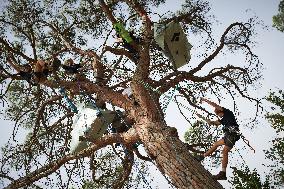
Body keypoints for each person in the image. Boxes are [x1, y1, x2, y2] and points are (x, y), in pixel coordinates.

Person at [195, 97, 241, 180]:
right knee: (216, 144)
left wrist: (205, 100)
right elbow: (214, 123)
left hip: (232, 134)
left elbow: (215, 105)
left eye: (217, 114)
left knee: (224, 151)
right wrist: (203, 118)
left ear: (220, 111)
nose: (218, 116)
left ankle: (223, 173)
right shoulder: (223, 120)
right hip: (228, 136)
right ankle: (202, 156)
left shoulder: (227, 112)